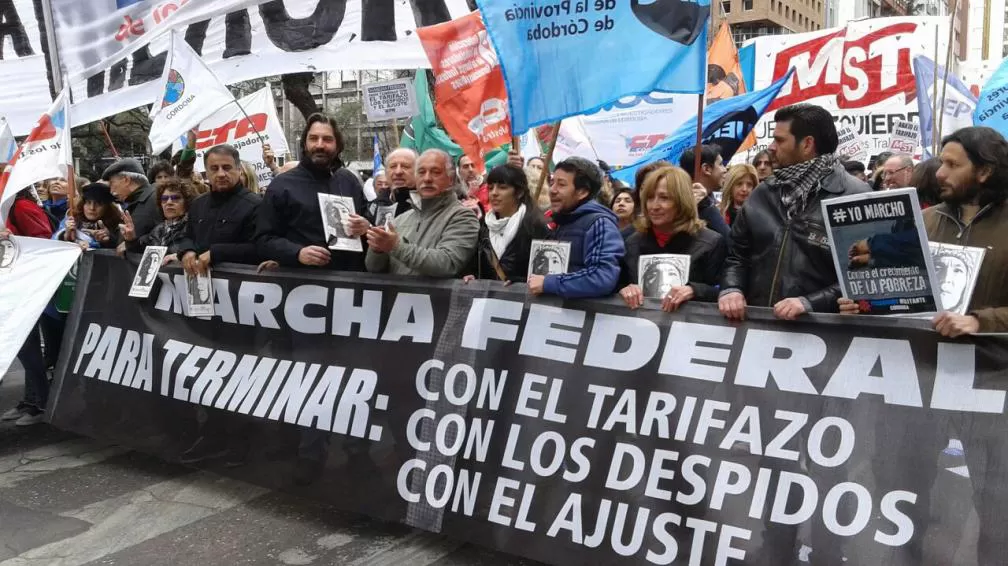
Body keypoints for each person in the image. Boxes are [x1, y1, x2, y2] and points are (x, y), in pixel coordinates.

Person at [720, 103, 869, 322]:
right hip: (757, 329)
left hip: (825, 337)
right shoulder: (764, 192)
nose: (771, 147)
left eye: (779, 140)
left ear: (807, 143)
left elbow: (867, 273)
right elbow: (736, 255)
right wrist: (732, 288)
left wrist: (810, 302)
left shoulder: (855, 195)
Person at [256, 114, 369, 271]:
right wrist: (297, 253)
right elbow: (263, 240)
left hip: (349, 282)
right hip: (303, 284)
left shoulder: (349, 180)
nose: (320, 145)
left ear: (338, 145)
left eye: (327, 139)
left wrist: (366, 226)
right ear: (304, 143)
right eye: (313, 138)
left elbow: (370, 224)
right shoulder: (282, 184)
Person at [618, 166, 727, 311]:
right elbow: (614, 286)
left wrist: (695, 290)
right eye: (650, 198)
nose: (654, 206)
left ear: (682, 201)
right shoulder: (632, 243)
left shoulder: (711, 243)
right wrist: (624, 289)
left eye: (664, 198)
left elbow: (726, 292)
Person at [365, 149, 479, 277]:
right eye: (421, 172)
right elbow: (374, 269)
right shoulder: (401, 219)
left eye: (435, 172)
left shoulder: (463, 217)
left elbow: (447, 264)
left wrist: (396, 247)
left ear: (451, 180)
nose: (427, 179)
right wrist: (377, 250)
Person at [527, 156, 624, 299]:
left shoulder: (599, 224)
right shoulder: (559, 221)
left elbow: (602, 277)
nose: (552, 190)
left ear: (582, 192)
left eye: (561, 184)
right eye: (552, 182)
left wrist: (549, 283)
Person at [1, 190, 54, 426]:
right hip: (9, 287)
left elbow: (43, 242)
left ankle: (42, 403)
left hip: (23, 287)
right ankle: (30, 401)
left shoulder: (21, 206)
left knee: (27, 347)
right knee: (19, 348)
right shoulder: (8, 207)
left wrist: (11, 240)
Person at [180, 144, 262, 274]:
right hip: (201, 284)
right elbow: (187, 236)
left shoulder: (256, 205)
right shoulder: (198, 204)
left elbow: (260, 248)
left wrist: (217, 253)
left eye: (227, 168)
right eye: (214, 168)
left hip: (239, 285)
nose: (221, 174)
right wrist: (187, 250)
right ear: (206, 173)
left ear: (239, 170)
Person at [464, 164, 548, 282]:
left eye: (502, 187)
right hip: (487, 298)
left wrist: (517, 282)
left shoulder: (535, 226)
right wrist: (471, 275)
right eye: (491, 188)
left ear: (519, 193)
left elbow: (543, 274)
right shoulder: (483, 226)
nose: (494, 193)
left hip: (519, 299)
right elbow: (475, 265)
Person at [126, 177, 195, 258]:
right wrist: (131, 239)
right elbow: (140, 252)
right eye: (164, 199)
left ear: (187, 202)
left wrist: (179, 257)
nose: (169, 202)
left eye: (175, 198)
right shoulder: (157, 230)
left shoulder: (194, 227)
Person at [103, 158, 160, 252]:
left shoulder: (155, 198)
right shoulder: (136, 202)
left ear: (126, 180)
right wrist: (109, 238)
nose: (111, 191)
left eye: (112, 183)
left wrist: (131, 244)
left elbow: (166, 233)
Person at [678, 144, 731, 241]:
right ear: (706, 169)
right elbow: (729, 242)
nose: (725, 169)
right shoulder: (680, 207)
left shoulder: (711, 202)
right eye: (721, 164)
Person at [55, 183, 122, 250]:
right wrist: (66, 236)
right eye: (88, 202)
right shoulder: (72, 218)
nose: (92, 208)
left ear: (107, 207)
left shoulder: (118, 225)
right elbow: (54, 244)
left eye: (99, 204)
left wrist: (109, 241)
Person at [386, 148, 418, 217]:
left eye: (405, 166)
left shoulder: (426, 205)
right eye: (393, 166)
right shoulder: (375, 205)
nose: (398, 172)